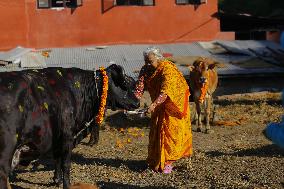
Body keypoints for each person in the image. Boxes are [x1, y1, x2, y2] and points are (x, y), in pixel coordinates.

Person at [135, 47, 193, 174]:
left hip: (173, 105)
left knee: (170, 133)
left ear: (158, 58)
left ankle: (168, 162)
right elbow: (139, 87)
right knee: (156, 132)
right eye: (146, 61)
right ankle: (157, 160)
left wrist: (153, 104)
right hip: (157, 105)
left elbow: (166, 92)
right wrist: (132, 102)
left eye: (150, 61)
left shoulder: (167, 69)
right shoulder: (146, 69)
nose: (147, 64)